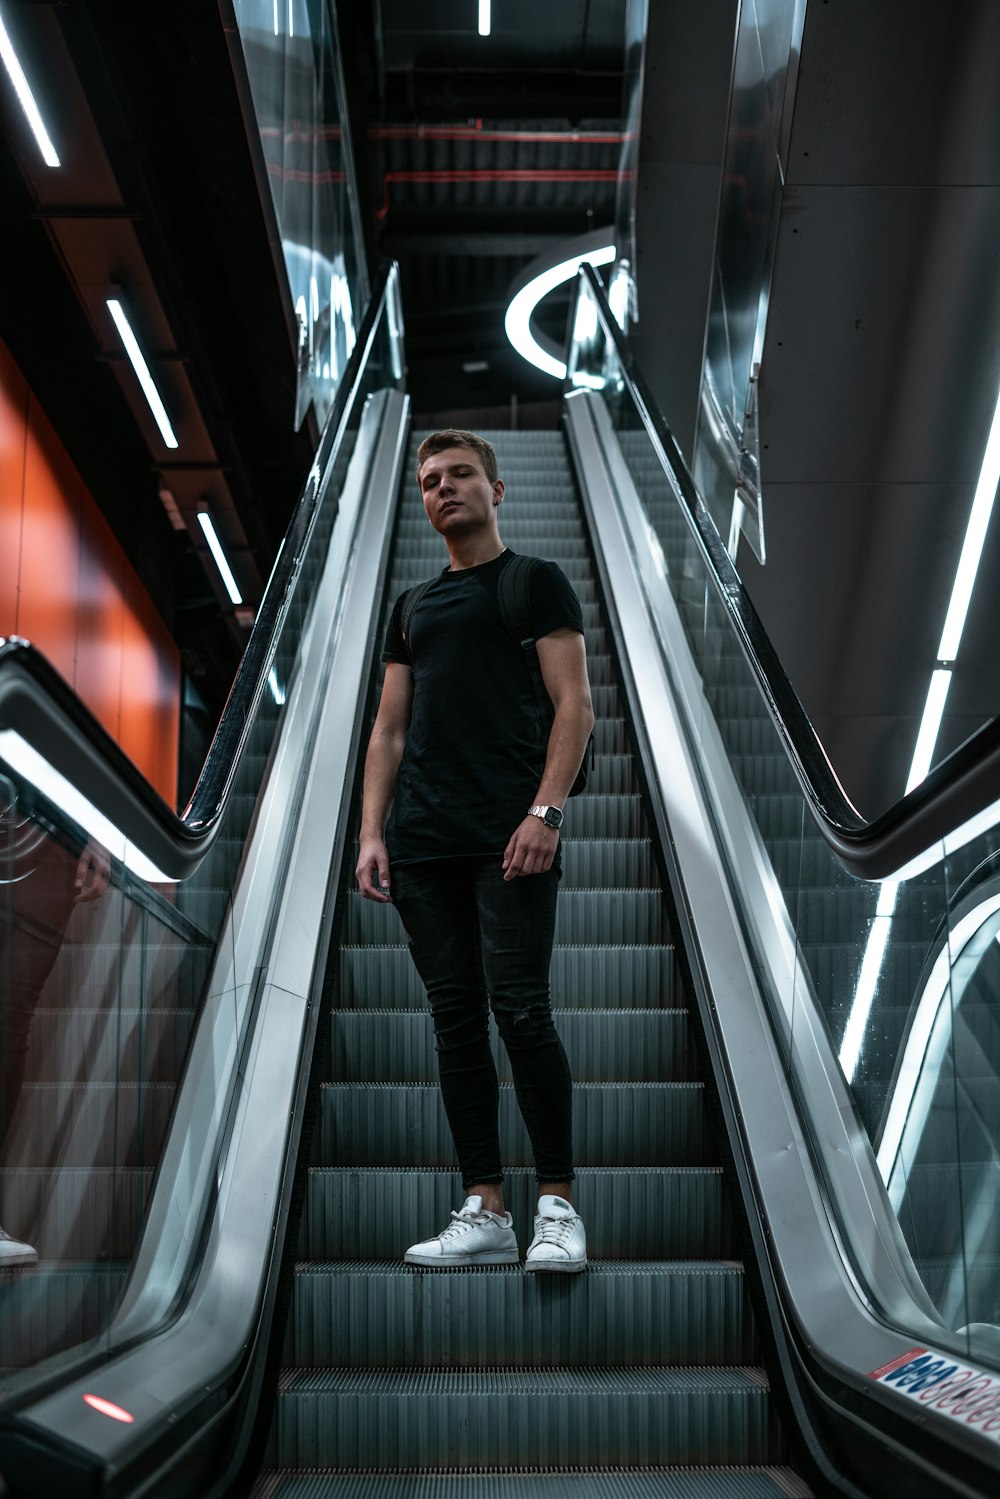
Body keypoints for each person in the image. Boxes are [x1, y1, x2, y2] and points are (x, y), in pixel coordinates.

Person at [355, 429, 595, 1272]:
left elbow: (576, 706)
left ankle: (557, 1203)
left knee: (522, 1010)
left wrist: (546, 812)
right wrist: (371, 832)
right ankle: (485, 1206)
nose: (444, 488)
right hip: (422, 843)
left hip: (510, 837)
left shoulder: (532, 582)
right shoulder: (412, 606)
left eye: (461, 475)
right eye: (430, 480)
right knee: (454, 1020)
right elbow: (389, 729)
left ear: (498, 490)